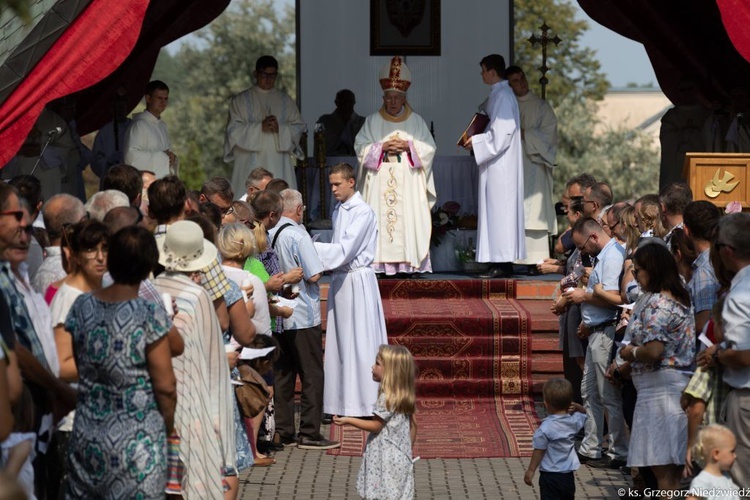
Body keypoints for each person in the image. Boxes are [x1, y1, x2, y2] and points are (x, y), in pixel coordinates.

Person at [65, 226, 176, 498]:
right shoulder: (149, 313)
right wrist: (167, 425)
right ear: (150, 264)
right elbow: (166, 386)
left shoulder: (82, 306)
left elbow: (82, 365)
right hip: (138, 442)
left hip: (88, 434)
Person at [314, 163, 389, 418]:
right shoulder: (339, 210)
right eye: (331, 184)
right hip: (342, 281)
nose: (333, 189)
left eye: (337, 184)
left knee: (360, 340)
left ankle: (366, 402)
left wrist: (310, 249)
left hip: (357, 281)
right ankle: (340, 402)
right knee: (341, 342)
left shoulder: (363, 212)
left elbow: (345, 250)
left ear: (351, 183)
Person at [618, 242, 695, 492]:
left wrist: (630, 353)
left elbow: (653, 351)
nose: (635, 276)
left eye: (638, 270)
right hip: (673, 388)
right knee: (672, 475)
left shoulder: (658, 305)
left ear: (652, 269)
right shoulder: (680, 298)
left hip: (660, 394)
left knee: (664, 477)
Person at [267, 189, 338, 450]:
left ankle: (283, 430)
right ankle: (309, 432)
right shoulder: (298, 234)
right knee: (311, 374)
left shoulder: (269, 231)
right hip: (301, 313)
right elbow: (314, 275)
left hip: (277, 311)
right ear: (299, 209)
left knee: (284, 372)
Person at [354, 55, 437, 275]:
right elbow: (360, 147)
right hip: (379, 183)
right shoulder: (372, 121)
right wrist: (380, 148)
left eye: (397, 98)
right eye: (389, 98)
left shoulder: (416, 121)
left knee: (407, 222)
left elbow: (429, 148)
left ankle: (408, 265)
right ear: (383, 97)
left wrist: (409, 146)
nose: (392, 102)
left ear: (404, 98)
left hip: (408, 184)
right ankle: (380, 266)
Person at [564, 217, 628, 469]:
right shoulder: (605, 255)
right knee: (590, 392)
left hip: (605, 331)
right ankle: (591, 448)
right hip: (595, 330)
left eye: (581, 247)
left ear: (593, 237)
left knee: (607, 394)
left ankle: (618, 450)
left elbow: (614, 298)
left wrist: (583, 296)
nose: (582, 252)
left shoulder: (612, 257)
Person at [464, 54, 525, 278]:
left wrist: (476, 142)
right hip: (497, 164)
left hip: (502, 167)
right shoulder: (499, 95)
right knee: (496, 212)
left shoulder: (503, 96)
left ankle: (502, 262)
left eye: (483, 70)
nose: (481, 75)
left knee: (501, 213)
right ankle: (497, 261)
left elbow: (502, 134)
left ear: (492, 71)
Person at [333, 345, 417, 500]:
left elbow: (375, 426)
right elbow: (413, 427)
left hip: (384, 459)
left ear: (391, 371)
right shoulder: (403, 396)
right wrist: (406, 451)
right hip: (400, 457)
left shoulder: (386, 398)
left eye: (377, 364)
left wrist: (348, 420)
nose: (373, 367)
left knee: (381, 494)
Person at [224, 55, 305, 196]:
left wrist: (280, 129)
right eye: (264, 74)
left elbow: (299, 127)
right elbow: (233, 131)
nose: (268, 79)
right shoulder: (240, 101)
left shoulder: (285, 101)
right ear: (256, 73)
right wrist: (259, 128)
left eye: (272, 75)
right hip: (249, 162)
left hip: (278, 162)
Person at [505, 65, 558, 269]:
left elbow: (550, 134)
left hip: (534, 164)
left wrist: (527, 134)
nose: (522, 83)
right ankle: (508, 260)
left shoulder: (541, 106)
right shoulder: (505, 106)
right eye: (516, 81)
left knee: (534, 211)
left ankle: (534, 262)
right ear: (509, 86)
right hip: (512, 167)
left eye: (523, 77)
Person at [711, 212, 750, 488]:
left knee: (741, 479)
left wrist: (716, 354)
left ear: (727, 251)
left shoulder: (739, 294)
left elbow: (743, 356)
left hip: (746, 399)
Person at [524, 378, 588, 500]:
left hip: (549, 475)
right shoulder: (573, 421)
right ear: (570, 403)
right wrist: (578, 406)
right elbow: (584, 413)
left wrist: (531, 470)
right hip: (568, 475)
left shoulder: (545, 428)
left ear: (546, 404)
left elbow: (539, 450)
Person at [124, 80, 178, 178]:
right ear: (148, 98)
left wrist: (172, 157)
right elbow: (130, 157)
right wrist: (163, 158)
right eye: (159, 98)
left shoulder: (162, 125)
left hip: (161, 184)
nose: (163, 102)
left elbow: (167, 154)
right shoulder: (139, 125)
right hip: (145, 185)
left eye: (166, 98)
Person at [687, 425, 740, 500]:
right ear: (716, 454)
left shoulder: (726, 477)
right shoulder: (703, 480)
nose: (735, 456)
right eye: (732, 451)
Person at [91, 89, 132, 180]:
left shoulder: (135, 128)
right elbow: (95, 160)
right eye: (116, 107)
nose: (119, 111)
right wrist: (108, 162)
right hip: (111, 179)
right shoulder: (105, 132)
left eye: (122, 107)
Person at [317, 89, 366, 157]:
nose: (346, 104)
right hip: (329, 163)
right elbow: (320, 148)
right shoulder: (324, 121)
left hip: (356, 163)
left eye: (348, 101)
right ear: (336, 103)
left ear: (353, 102)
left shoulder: (363, 122)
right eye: (342, 101)